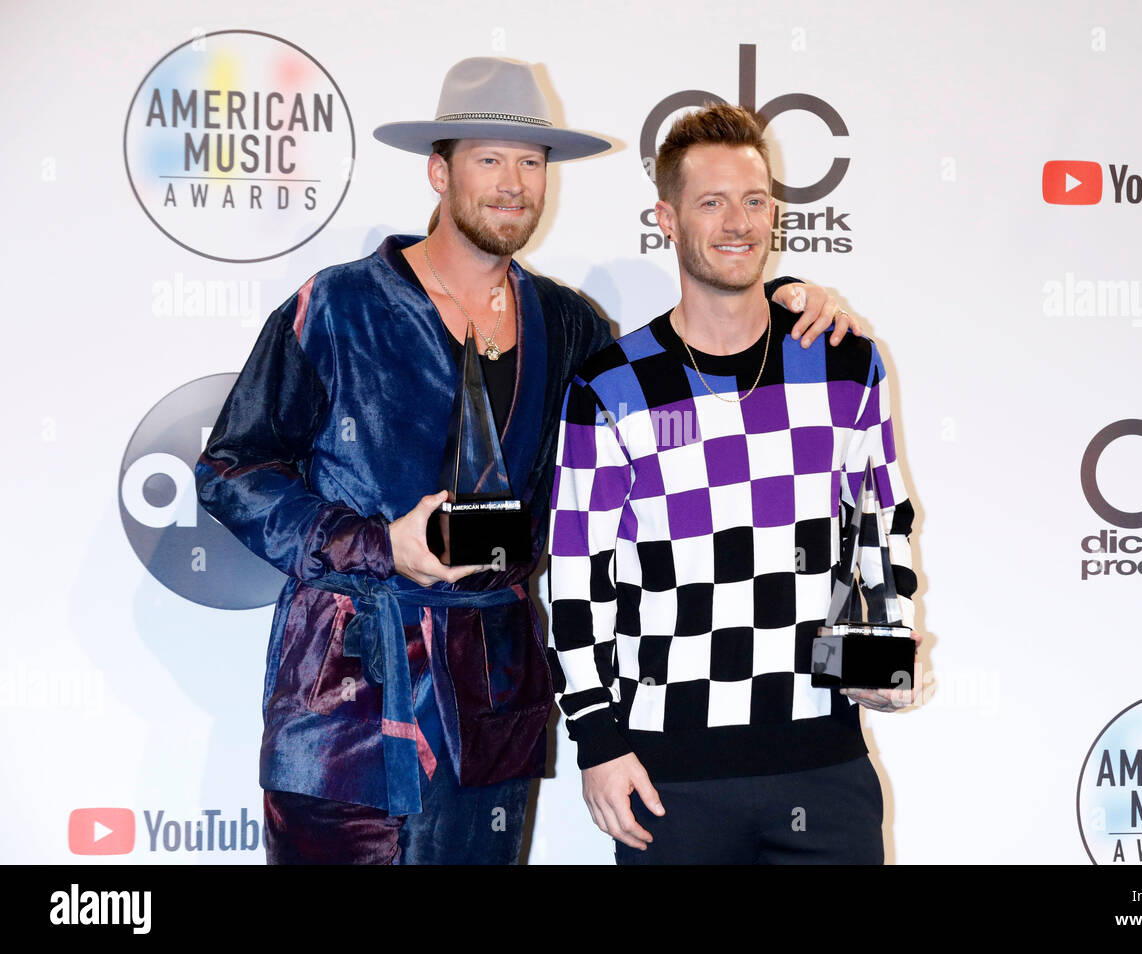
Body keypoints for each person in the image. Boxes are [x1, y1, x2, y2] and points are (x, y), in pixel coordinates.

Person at [195, 58, 859, 865]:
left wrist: (784, 295)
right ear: (439, 171)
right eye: (489, 159)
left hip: (493, 710)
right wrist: (377, 544)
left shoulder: (570, 325)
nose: (513, 184)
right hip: (346, 709)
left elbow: (671, 392)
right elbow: (229, 469)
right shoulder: (339, 307)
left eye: (532, 162)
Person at [548, 103, 921, 865]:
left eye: (754, 201)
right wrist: (595, 737)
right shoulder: (613, 383)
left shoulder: (845, 361)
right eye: (710, 202)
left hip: (824, 765)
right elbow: (575, 576)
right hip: (667, 781)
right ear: (666, 217)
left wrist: (888, 648)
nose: (737, 222)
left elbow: (880, 524)